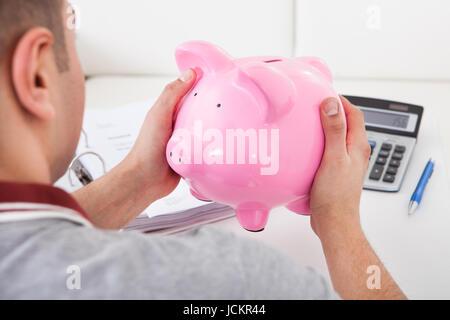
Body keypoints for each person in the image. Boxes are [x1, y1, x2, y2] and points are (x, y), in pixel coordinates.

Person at [0, 0, 405, 299]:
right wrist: (339, 222)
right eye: (75, 48)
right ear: (37, 75)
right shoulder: (234, 280)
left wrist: (138, 180)